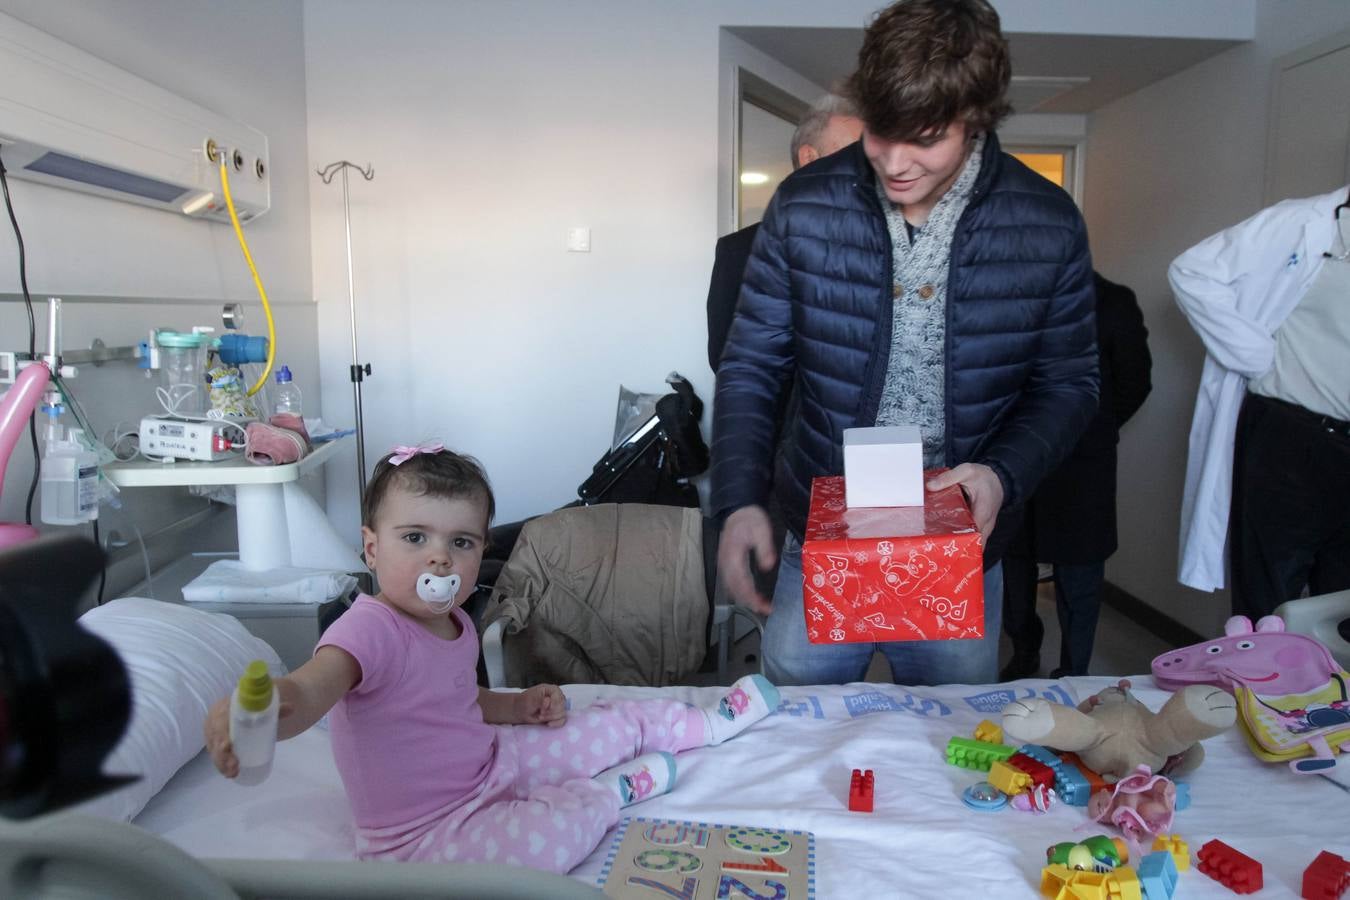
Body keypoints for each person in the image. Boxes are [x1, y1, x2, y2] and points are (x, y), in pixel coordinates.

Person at [711, 0, 1099, 688]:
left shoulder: (1047, 222)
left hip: (960, 546)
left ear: (976, 119)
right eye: (880, 134)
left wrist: (1002, 474)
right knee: (800, 730)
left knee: (950, 748)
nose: (893, 162)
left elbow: (1070, 384)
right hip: (820, 534)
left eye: (923, 139)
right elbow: (751, 364)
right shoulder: (804, 205)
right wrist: (739, 496)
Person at [205, 444, 779, 873]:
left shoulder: (454, 621)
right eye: (414, 539)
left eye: (461, 542)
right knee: (546, 845)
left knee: (605, 718)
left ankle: (703, 722)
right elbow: (314, 689)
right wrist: (270, 705)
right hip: (423, 835)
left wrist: (517, 706)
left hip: (491, 763)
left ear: (482, 549)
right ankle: (611, 794)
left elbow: (454, 699)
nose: (440, 560)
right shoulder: (369, 630)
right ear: (372, 548)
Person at [1171, 186, 1350, 618]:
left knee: (1343, 611)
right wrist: (1254, 354)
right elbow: (1191, 271)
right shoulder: (1303, 223)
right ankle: (1262, 687)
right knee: (1270, 605)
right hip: (1292, 442)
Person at [1001, 273, 1152, 680]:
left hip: (1083, 461)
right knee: (1013, 566)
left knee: (1079, 575)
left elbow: (1135, 380)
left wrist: (1094, 427)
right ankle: (1024, 652)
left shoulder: (1113, 299)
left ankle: (1075, 671)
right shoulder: (1001, 297)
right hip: (1012, 453)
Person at [706, 93, 864, 371]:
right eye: (855, 156)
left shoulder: (882, 243)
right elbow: (728, 361)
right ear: (810, 158)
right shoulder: (740, 252)